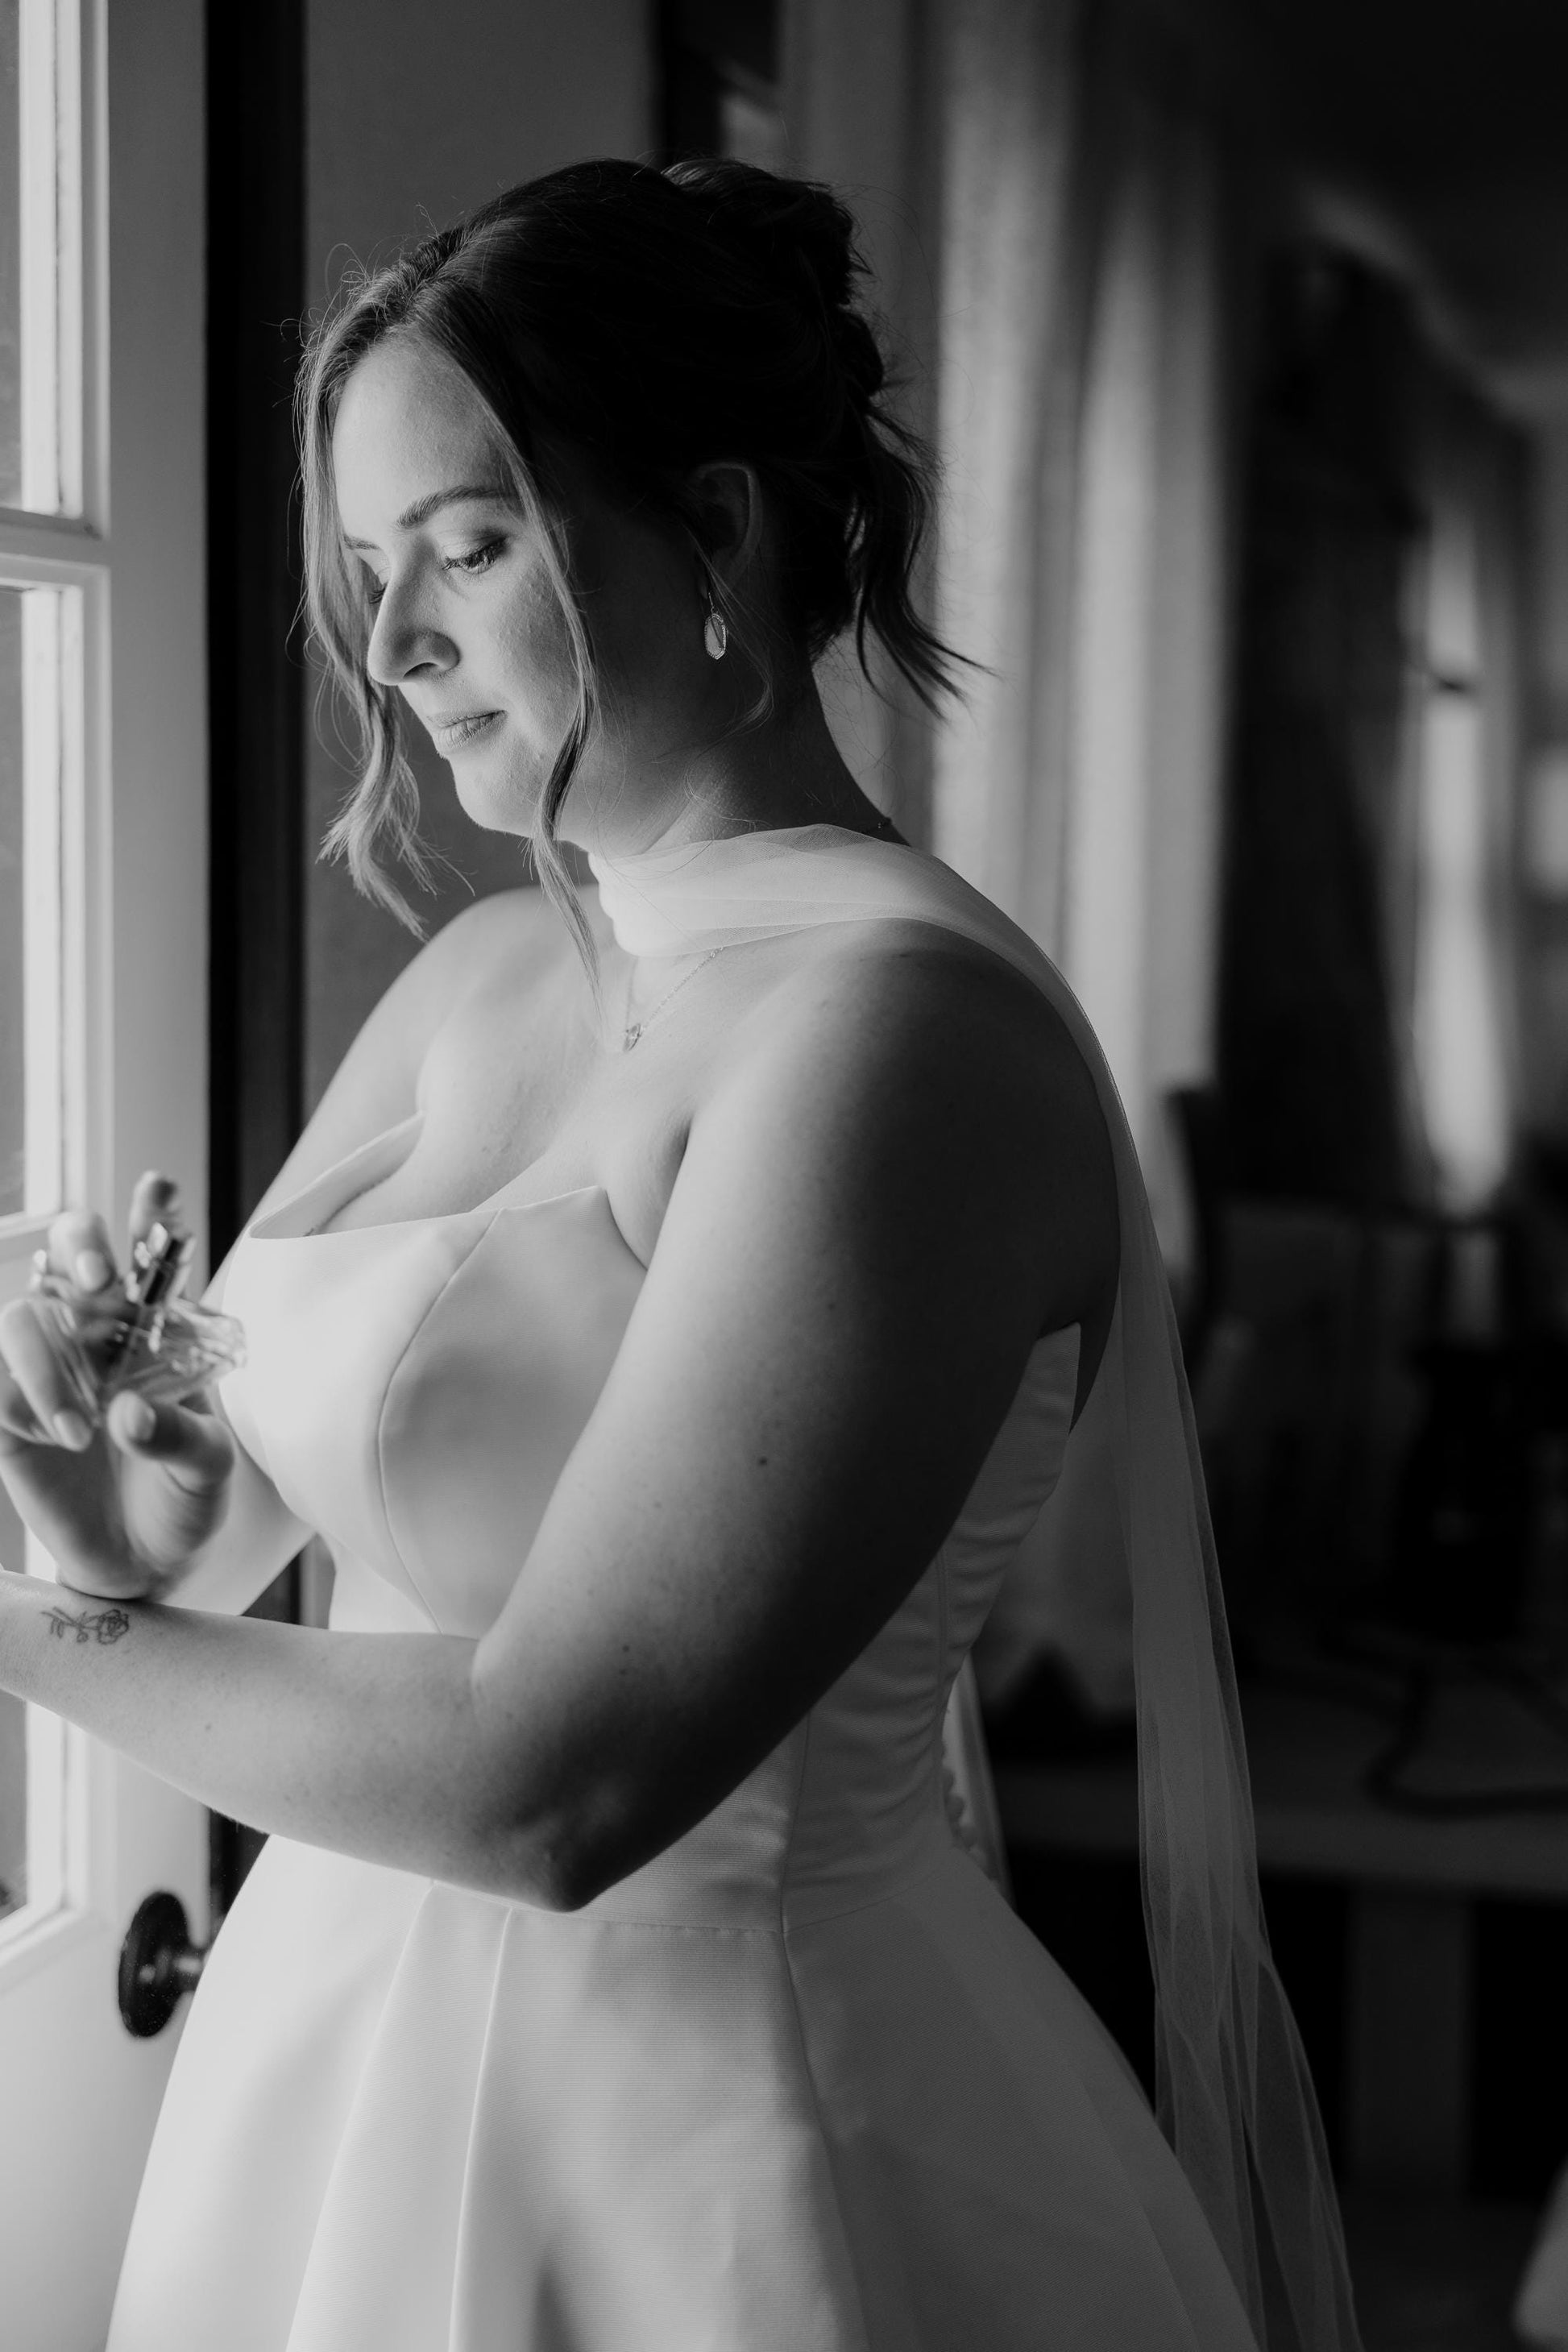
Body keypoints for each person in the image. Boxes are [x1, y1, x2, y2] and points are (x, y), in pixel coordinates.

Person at [0, 158, 1359, 2350]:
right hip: (325, 2060)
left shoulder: (898, 1044)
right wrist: (111, 1513)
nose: (397, 642)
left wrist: (20, 1639)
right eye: (368, 573)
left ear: (715, 532)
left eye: (464, 546)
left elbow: (559, 1787)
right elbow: (231, 1535)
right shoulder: (479, 974)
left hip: (720, 2142)